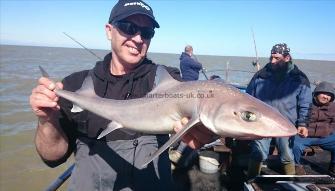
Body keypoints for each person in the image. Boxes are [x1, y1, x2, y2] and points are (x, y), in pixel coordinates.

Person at [29, 1, 214, 190]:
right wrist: (47, 120)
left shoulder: (166, 80)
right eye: (129, 27)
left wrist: (208, 125)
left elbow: (193, 94)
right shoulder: (75, 85)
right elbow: (52, 157)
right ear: (109, 31)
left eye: (147, 32)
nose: (138, 38)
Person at [246, 43, 312, 178]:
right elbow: (247, 98)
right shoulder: (260, 75)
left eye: (276, 58)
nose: (272, 61)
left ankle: (290, 180)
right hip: (262, 123)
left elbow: (305, 103)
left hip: (286, 123)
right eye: (271, 57)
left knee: (287, 155)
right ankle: (251, 180)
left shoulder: (299, 78)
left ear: (287, 58)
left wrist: (303, 124)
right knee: (258, 153)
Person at [293, 81, 335, 175]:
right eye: (323, 93)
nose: (326, 97)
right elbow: (295, 118)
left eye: (329, 95)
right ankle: (296, 166)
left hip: (324, 136)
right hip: (305, 136)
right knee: (295, 145)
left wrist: (328, 131)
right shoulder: (305, 103)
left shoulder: (333, 106)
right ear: (316, 93)